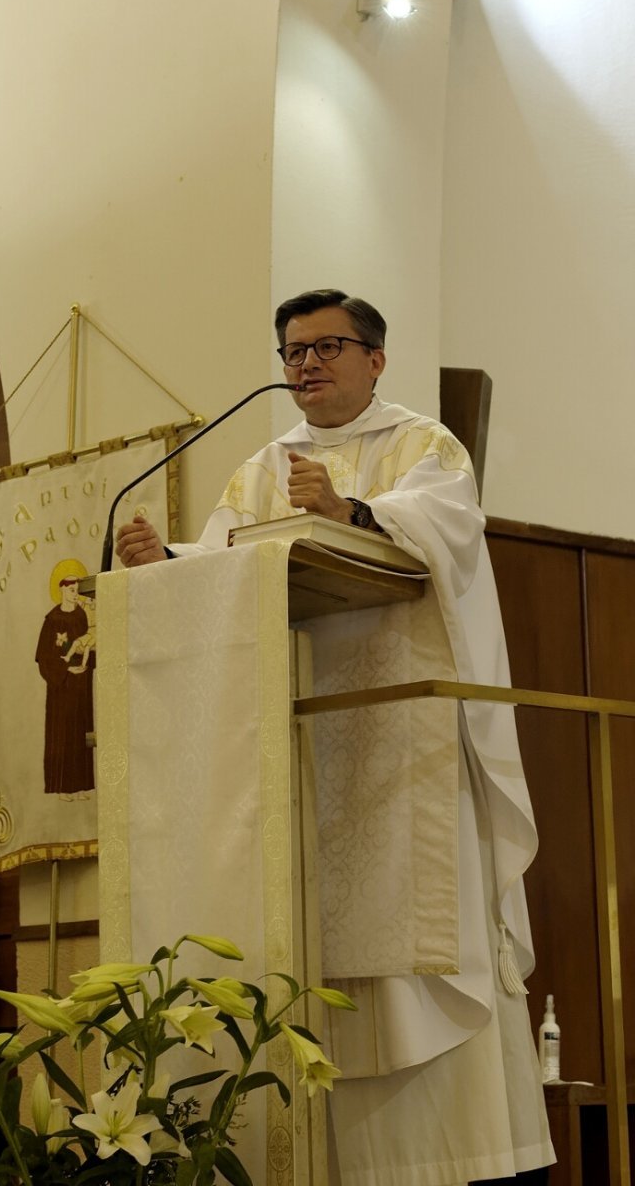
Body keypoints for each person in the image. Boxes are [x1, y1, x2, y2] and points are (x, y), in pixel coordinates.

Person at [115, 289, 554, 1185]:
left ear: (374, 359)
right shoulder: (260, 466)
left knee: (423, 927)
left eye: (325, 348)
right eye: (292, 352)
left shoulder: (425, 445)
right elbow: (232, 562)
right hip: (308, 740)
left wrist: (354, 511)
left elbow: (449, 537)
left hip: (408, 731)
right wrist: (167, 565)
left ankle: (457, 1155)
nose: (305, 366)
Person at [35, 575, 95, 799]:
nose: (75, 594)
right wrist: (65, 670)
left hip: (81, 684)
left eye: (76, 590)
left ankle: (80, 787)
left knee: (81, 732)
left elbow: (88, 641)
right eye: (71, 591)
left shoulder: (81, 615)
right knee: (63, 734)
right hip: (61, 687)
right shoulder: (52, 619)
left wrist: (87, 661)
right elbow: (44, 656)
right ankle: (62, 788)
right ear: (62, 591)